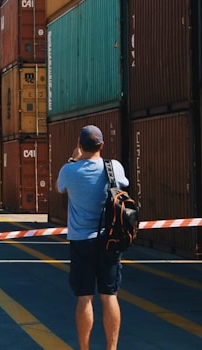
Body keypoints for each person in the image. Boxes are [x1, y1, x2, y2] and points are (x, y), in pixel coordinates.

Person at [56, 124, 128, 350]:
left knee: (84, 297)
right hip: (109, 239)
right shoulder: (113, 167)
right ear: (102, 145)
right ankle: (112, 347)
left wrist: (73, 159)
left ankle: (84, 348)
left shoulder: (69, 170)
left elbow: (60, 189)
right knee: (109, 295)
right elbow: (123, 185)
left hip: (80, 241)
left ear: (80, 145)